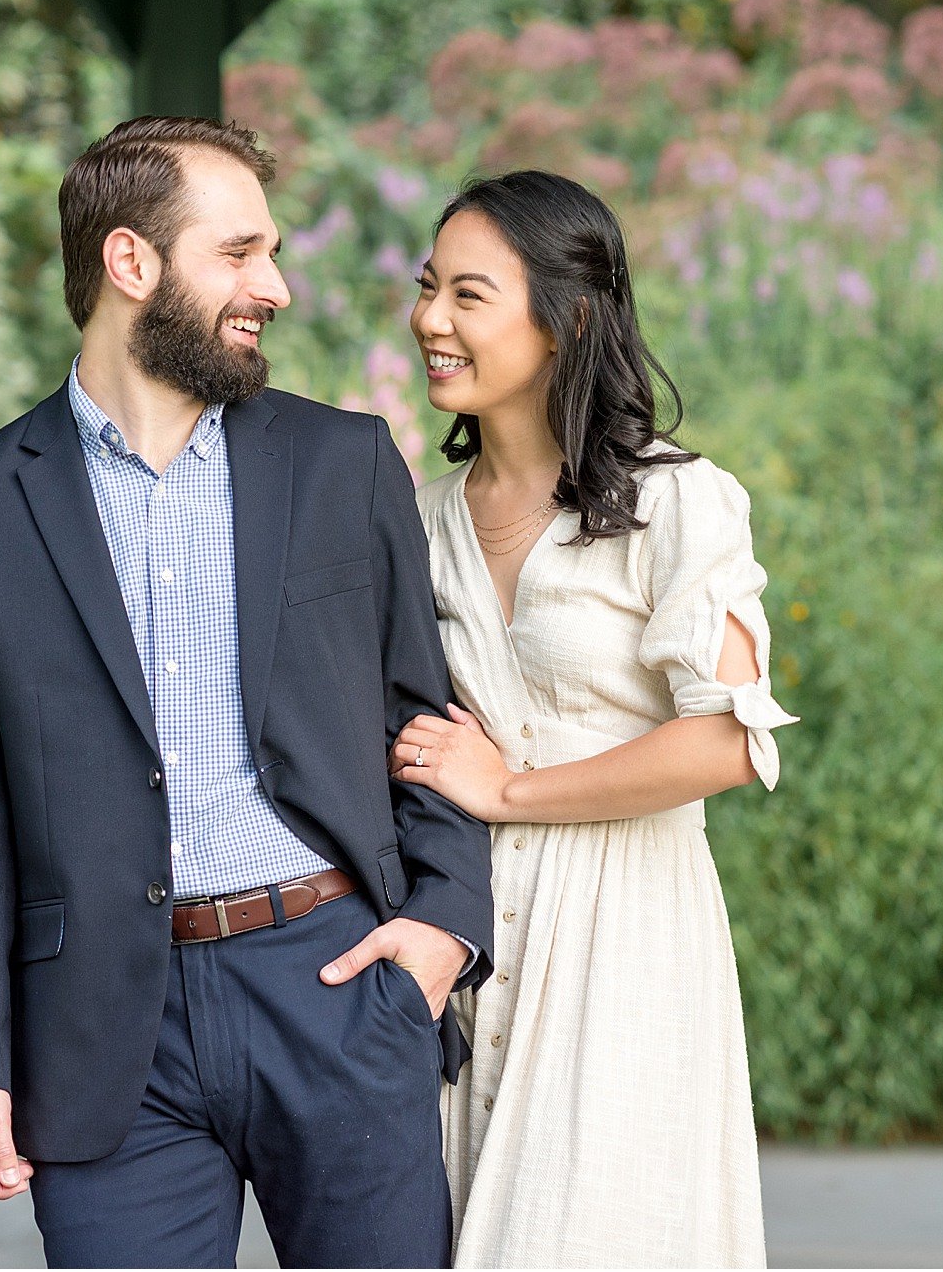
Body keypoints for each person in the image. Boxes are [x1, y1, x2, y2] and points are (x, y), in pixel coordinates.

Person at [0, 116, 493, 1269]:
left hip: (332, 984)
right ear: (132, 264)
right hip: (98, 1033)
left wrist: (442, 928)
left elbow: (423, 720)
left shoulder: (342, 463)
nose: (272, 285)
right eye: (238, 254)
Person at [394, 170, 797, 1268]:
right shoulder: (414, 518)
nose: (429, 318)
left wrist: (509, 789)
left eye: (467, 296)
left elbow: (725, 740)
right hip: (467, 937)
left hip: (626, 936)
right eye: (429, 288)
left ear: (566, 318)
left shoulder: (675, 502)